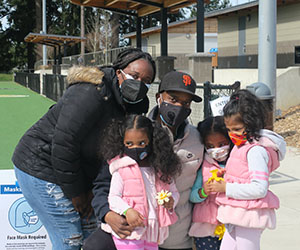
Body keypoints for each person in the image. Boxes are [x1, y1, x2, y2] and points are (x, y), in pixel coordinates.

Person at [12, 48, 156, 250]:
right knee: (69, 238)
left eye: (146, 80)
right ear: (118, 72)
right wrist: (78, 193)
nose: (139, 83)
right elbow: (64, 143)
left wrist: (94, 196)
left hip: (77, 172)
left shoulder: (133, 106)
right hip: (40, 165)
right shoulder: (90, 92)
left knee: (91, 236)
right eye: (134, 76)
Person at [84, 70, 204, 250]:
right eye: (173, 99)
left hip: (178, 240)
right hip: (134, 234)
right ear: (159, 97)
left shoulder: (198, 137)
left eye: (185, 102)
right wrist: (107, 214)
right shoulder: (132, 132)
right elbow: (103, 185)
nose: (179, 106)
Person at [208, 89, 286, 250]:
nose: (231, 134)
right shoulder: (242, 146)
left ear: (250, 124)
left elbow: (259, 188)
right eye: (229, 129)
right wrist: (228, 175)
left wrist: (226, 187)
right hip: (238, 213)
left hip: (249, 215)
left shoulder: (255, 150)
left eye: (236, 129)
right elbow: (243, 173)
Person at [99, 114, 181, 250]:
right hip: (130, 232)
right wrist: (127, 211)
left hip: (153, 232)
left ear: (152, 141)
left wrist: (172, 201)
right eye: (129, 144)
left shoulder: (161, 170)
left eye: (142, 143)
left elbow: (174, 192)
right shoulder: (122, 168)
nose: (135, 148)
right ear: (122, 143)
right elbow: (113, 197)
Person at [189, 116, 233, 250]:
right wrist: (203, 191)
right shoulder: (204, 165)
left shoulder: (236, 162)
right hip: (205, 228)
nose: (217, 150)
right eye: (210, 146)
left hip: (230, 224)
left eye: (222, 144)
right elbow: (193, 196)